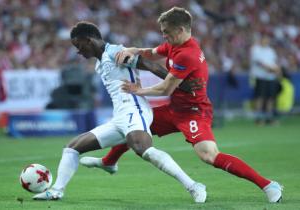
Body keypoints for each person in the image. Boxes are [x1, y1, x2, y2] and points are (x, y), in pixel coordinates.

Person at [80, 7, 283, 203]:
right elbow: (152, 52)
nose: (164, 36)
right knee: (134, 128)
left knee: (209, 155)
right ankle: (109, 162)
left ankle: (268, 185)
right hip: (174, 110)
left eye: (166, 32)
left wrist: (138, 90)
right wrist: (132, 50)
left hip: (194, 112)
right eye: (162, 32)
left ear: (181, 30)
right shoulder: (176, 45)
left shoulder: (188, 54)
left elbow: (166, 89)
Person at [33, 21, 207, 203]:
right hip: (120, 116)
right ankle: (56, 191)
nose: (78, 51)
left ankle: (193, 186)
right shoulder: (101, 61)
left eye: (79, 45)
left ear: (89, 40)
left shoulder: (115, 52)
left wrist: (180, 85)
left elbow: (150, 65)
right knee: (71, 148)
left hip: (135, 108)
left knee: (143, 149)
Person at [250, 34, 282, 125]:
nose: (266, 41)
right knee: (260, 98)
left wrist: (277, 69)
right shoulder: (256, 49)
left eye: (267, 39)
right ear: (261, 39)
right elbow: (259, 62)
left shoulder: (271, 51)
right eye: (264, 39)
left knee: (270, 98)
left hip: (271, 77)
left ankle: (269, 118)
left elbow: (275, 62)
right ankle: (258, 119)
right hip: (260, 77)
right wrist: (271, 69)